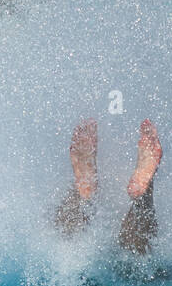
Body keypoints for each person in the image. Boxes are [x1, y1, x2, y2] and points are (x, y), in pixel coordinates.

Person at [54, 117, 164, 273]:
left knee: (65, 252)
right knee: (140, 268)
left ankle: (81, 187)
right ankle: (143, 196)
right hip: (131, 280)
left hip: (79, 277)